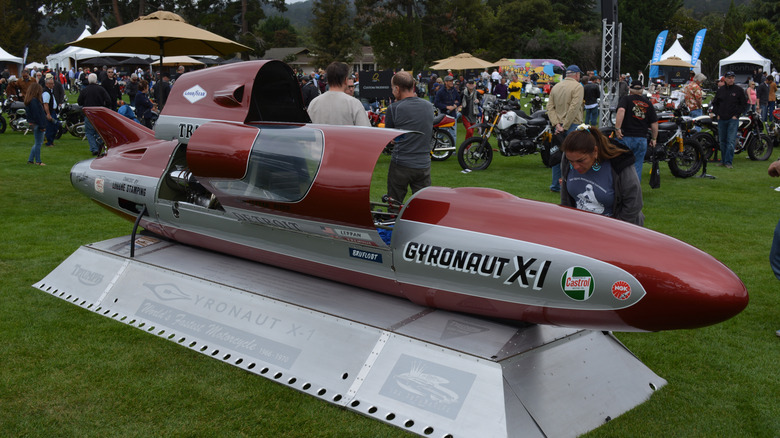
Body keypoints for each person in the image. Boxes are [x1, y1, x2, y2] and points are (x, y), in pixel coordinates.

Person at [560, 126, 644, 225]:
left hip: (616, 229)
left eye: (580, 161)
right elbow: (565, 198)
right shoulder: (567, 159)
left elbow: (633, 203)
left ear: (595, 152)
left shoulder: (619, 163)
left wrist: (617, 229)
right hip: (582, 227)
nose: (575, 166)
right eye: (571, 161)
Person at [383, 71, 434, 206]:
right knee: (423, 207)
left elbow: (390, 137)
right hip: (423, 164)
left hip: (401, 164)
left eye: (393, 88)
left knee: (394, 205)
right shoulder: (429, 106)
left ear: (397, 88)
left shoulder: (394, 108)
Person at [546, 64, 584, 192]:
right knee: (574, 157)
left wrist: (556, 124)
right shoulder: (578, 87)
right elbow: (574, 107)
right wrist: (565, 125)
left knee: (557, 155)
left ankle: (556, 185)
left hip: (558, 126)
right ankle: (569, 186)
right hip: (572, 124)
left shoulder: (556, 86)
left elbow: (549, 107)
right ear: (577, 75)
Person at [615, 80, 658, 181]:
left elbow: (621, 110)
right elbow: (654, 123)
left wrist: (617, 128)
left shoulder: (626, 99)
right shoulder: (648, 103)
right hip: (641, 138)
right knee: (637, 167)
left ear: (630, 89)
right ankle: (634, 191)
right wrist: (654, 138)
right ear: (642, 90)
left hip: (625, 137)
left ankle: (621, 189)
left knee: (621, 165)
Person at [307, 62, 370, 126]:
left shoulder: (314, 103)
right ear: (346, 80)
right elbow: (366, 131)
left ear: (328, 80)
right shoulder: (353, 103)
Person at [709, 71, 748, 168]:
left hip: (732, 119)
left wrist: (737, 115)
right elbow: (715, 103)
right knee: (722, 141)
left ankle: (728, 162)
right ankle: (723, 160)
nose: (731, 79)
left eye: (732, 78)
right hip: (722, 118)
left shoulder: (738, 90)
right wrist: (717, 113)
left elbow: (743, 104)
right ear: (725, 79)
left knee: (730, 141)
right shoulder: (721, 90)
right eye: (729, 78)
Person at [78, 73, 112, 156]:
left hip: (89, 113)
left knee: (89, 132)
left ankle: (94, 148)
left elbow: (79, 102)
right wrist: (103, 107)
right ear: (96, 80)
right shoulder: (101, 89)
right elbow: (108, 100)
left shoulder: (85, 90)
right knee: (98, 131)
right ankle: (98, 147)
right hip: (99, 113)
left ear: (88, 80)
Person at [24, 82, 47, 166]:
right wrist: (42, 126)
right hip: (37, 123)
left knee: (37, 142)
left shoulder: (29, 100)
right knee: (38, 143)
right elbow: (37, 115)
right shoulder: (34, 101)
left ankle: (30, 160)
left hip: (34, 123)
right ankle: (38, 161)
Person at [433, 75, 460, 143]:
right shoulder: (440, 92)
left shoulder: (454, 90)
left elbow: (459, 99)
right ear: (446, 82)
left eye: (452, 81)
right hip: (443, 116)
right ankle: (437, 147)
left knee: (453, 134)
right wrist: (446, 107)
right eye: (450, 81)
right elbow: (436, 103)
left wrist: (455, 105)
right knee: (442, 133)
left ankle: (453, 150)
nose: (452, 82)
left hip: (453, 115)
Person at [42, 77, 60, 148]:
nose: (53, 85)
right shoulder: (46, 92)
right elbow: (45, 104)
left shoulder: (50, 91)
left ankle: (51, 141)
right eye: (51, 84)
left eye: (53, 83)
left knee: (55, 126)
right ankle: (49, 142)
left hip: (53, 111)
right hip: (50, 112)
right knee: (50, 127)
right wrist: (48, 114)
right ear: (47, 84)